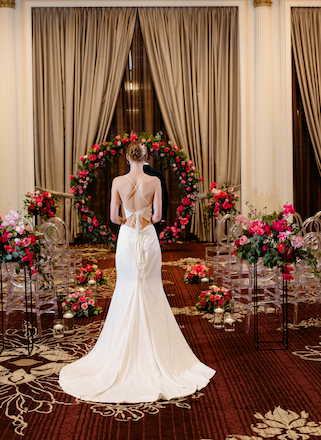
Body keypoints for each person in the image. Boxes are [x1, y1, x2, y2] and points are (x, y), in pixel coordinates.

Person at [59, 141, 215, 403]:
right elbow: (156, 217)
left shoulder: (118, 182)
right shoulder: (153, 181)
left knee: (127, 286)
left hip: (128, 238)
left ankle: (122, 350)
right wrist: (142, 219)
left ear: (125, 157)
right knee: (150, 287)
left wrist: (127, 219)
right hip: (148, 237)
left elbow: (112, 217)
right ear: (146, 157)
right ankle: (156, 350)